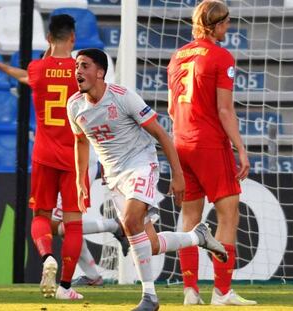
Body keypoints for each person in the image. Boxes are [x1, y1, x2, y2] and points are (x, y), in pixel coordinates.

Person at [67, 48, 228, 311]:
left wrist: (178, 175)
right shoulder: (75, 105)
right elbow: (80, 141)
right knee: (150, 245)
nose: (78, 72)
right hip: (114, 176)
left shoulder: (122, 97)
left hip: (141, 164)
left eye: (84, 66)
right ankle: (198, 236)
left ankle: (150, 298)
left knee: (130, 222)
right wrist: (80, 180)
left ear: (100, 72)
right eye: (76, 67)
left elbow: (162, 135)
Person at [0, 14, 85, 300]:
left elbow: (28, 77)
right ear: (73, 38)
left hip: (44, 154)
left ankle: (46, 257)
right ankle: (65, 286)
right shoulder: (82, 72)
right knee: (74, 223)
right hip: (75, 155)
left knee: (41, 214)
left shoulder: (38, 67)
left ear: (48, 38)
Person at [167, 0, 256, 306]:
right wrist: (241, 149)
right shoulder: (221, 57)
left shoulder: (177, 56)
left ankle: (190, 291)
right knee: (228, 213)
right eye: (227, 23)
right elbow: (224, 109)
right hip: (208, 144)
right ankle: (222, 291)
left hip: (180, 142)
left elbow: (170, 106)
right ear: (218, 24)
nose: (228, 28)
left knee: (190, 217)